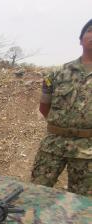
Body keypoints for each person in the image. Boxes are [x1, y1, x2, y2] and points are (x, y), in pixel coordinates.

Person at [31, 19, 92, 196]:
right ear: (80, 40)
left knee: (83, 204)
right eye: (89, 31)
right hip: (54, 144)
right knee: (36, 192)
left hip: (88, 150)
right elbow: (44, 107)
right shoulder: (57, 73)